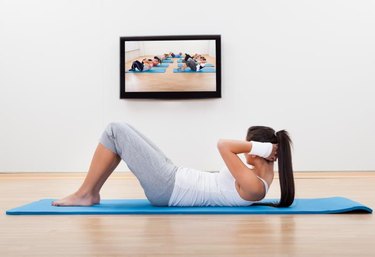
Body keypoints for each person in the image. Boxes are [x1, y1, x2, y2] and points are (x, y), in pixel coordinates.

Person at [52, 122, 294, 207]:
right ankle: (90, 192)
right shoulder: (256, 178)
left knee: (115, 129)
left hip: (168, 188)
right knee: (120, 134)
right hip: (174, 176)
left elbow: (223, 145)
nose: (244, 147)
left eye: (248, 144)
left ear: (259, 151)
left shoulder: (255, 186)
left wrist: (261, 147)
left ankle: (85, 194)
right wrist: (264, 149)